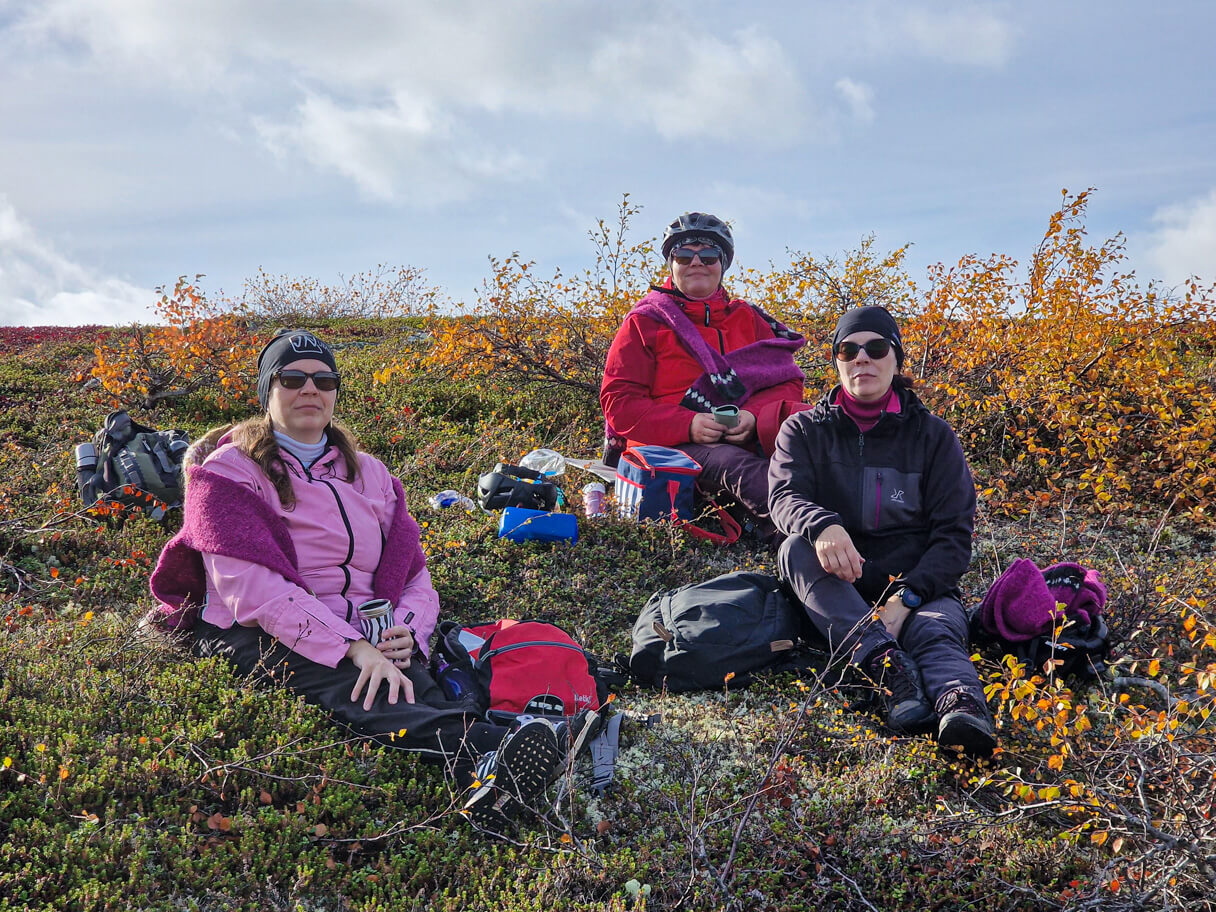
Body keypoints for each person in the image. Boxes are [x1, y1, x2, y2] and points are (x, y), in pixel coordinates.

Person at [149, 329, 567, 830]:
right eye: (293, 378)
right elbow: (252, 587)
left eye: (323, 379)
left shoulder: (370, 473)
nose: (310, 390)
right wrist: (352, 648)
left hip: (366, 626)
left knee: (419, 688)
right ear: (267, 391)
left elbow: (413, 574)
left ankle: (495, 773)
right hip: (252, 627)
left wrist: (405, 631)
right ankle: (497, 750)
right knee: (365, 690)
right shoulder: (227, 472)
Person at [768, 306, 996, 755]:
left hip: (916, 582)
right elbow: (783, 497)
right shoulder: (803, 429)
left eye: (875, 348)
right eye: (848, 350)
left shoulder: (933, 437)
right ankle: (888, 669)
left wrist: (907, 597)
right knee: (795, 547)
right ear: (836, 360)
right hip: (834, 582)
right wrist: (824, 526)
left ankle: (961, 706)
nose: (861, 360)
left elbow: (953, 538)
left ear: (896, 358)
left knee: (936, 629)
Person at [600, 211, 807, 539]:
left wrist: (754, 418)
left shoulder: (749, 319)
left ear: (722, 264)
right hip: (668, 445)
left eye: (709, 255)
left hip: (743, 433)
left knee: (816, 436)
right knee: (740, 466)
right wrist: (688, 425)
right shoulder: (645, 322)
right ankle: (808, 537)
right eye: (684, 255)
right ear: (672, 263)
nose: (696, 262)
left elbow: (787, 381)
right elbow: (620, 403)